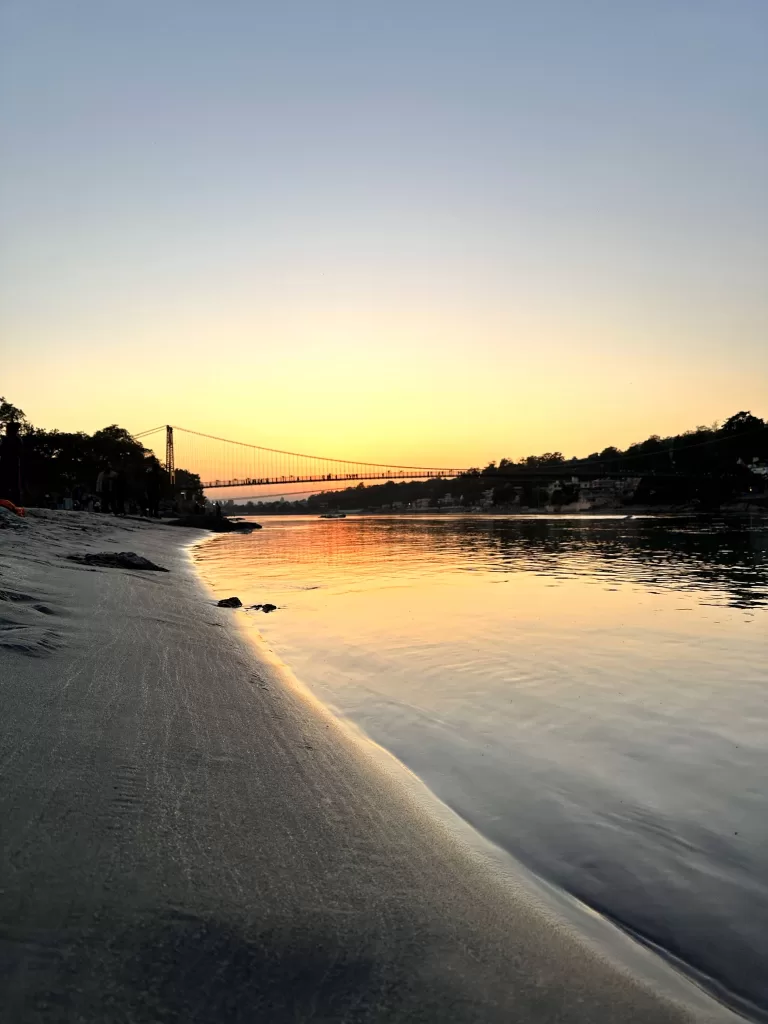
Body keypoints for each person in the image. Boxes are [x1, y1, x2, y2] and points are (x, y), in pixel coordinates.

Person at [0, 420, 23, 505]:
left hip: (8, 464)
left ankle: (9, 502)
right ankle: (15, 502)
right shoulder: (17, 440)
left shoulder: (9, 440)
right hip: (12, 464)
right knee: (13, 485)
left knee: (6, 484)